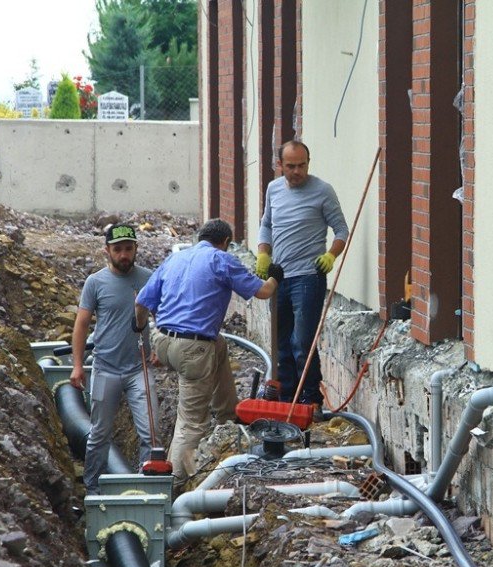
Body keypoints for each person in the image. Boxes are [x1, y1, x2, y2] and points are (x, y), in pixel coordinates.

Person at [134, 218, 283, 487]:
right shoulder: (221, 260)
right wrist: (275, 277)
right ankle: (173, 486)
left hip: (163, 340)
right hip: (193, 349)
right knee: (191, 423)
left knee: (220, 345)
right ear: (225, 242)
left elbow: (141, 303)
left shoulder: (175, 259)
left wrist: (142, 329)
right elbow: (263, 292)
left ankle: (228, 414)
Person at [256, 140, 348, 408]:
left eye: (302, 165)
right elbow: (266, 225)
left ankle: (310, 397)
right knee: (282, 341)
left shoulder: (322, 191)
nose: (297, 171)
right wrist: (263, 252)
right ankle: (287, 397)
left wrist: (331, 255)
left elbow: (341, 230)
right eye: (291, 166)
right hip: (279, 277)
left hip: (309, 277)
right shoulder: (273, 189)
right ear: (279, 165)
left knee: (302, 341)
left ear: (309, 163)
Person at [71, 222, 158, 496]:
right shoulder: (95, 283)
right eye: (117, 249)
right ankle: (93, 489)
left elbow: (163, 316)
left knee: (150, 433)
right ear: (106, 250)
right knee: (99, 434)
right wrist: (77, 365)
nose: (123, 255)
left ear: (136, 249)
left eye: (128, 249)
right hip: (105, 368)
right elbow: (81, 324)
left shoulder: (148, 279)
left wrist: (159, 347)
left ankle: (149, 487)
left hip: (139, 369)